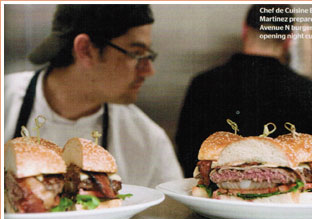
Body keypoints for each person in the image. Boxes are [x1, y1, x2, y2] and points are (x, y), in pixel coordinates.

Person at [4, 4, 183, 188]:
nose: (149, 70)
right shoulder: (6, 99)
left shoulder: (147, 141)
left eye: (148, 56)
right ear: (85, 50)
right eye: (136, 54)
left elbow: (171, 213)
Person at [175, 4, 312, 180]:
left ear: (244, 30)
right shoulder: (309, 91)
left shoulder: (203, 84)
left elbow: (186, 151)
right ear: (289, 39)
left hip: (213, 200)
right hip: (290, 203)